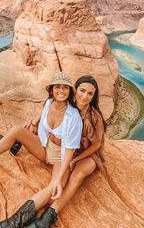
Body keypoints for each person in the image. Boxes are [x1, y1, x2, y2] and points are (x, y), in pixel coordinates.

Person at [0, 71, 83, 228]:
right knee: (16, 130)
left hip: (61, 158)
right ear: (51, 90)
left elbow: (69, 151)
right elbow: (42, 114)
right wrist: (33, 122)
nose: (61, 91)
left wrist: (61, 178)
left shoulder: (73, 117)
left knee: (52, 188)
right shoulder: (49, 103)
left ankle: (14, 222)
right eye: (57, 87)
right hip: (44, 148)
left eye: (65, 88)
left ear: (70, 91)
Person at [34, 75, 106, 228]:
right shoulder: (68, 104)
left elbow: (96, 145)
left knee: (77, 175)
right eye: (82, 91)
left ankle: (50, 214)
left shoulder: (94, 117)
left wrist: (75, 160)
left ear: (94, 96)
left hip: (89, 154)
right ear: (75, 90)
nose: (85, 96)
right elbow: (49, 108)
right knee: (60, 181)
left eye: (90, 94)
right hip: (69, 150)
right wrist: (34, 121)